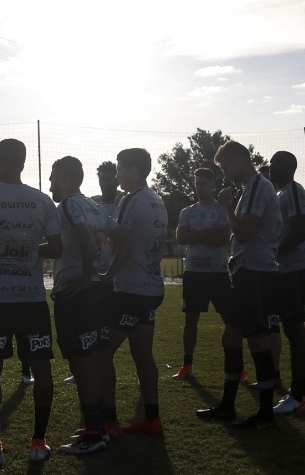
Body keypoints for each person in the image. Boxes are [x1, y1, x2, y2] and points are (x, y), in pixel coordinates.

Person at [0, 138, 62, 466]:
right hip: (31, 299)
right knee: (41, 367)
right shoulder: (42, 201)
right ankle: (38, 442)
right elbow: (57, 248)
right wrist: (30, 247)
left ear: (6, 163)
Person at [196, 140, 283, 430]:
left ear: (238, 160)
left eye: (226, 166)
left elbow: (245, 231)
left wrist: (227, 208)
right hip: (248, 271)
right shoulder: (252, 188)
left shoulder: (258, 186)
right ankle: (228, 406)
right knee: (232, 338)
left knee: (255, 338)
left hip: (256, 272)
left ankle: (264, 414)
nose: (226, 174)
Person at [48, 157, 116, 456]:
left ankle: (93, 433)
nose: (50, 184)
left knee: (82, 362)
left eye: (52, 177)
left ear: (63, 176)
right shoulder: (95, 205)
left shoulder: (69, 205)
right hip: (97, 292)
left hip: (78, 294)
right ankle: (100, 426)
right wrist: (105, 275)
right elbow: (122, 238)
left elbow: (86, 238)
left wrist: (88, 275)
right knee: (98, 358)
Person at [100, 148, 167, 436]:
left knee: (102, 353)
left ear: (134, 169)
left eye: (120, 169)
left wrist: (107, 276)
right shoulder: (158, 200)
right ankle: (152, 418)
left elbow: (119, 243)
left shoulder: (129, 200)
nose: (117, 175)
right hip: (152, 286)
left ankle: (109, 421)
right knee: (142, 353)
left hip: (131, 289)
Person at [269, 151, 305, 414]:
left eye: (276, 162)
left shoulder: (294, 191)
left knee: (294, 328)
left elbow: (301, 230)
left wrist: (273, 252)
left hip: (294, 272)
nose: (270, 165)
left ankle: (298, 393)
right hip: (288, 271)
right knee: (294, 328)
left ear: (290, 167)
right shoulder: (281, 194)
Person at [172, 168, 231, 380]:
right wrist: (208, 232)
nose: (199, 187)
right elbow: (181, 237)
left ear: (212, 185)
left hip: (218, 272)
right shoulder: (187, 211)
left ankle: (237, 367)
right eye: (197, 183)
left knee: (229, 320)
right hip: (194, 273)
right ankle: (187, 365)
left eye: (203, 183)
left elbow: (221, 239)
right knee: (190, 320)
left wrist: (196, 234)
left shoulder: (221, 210)